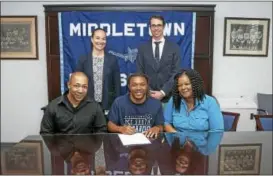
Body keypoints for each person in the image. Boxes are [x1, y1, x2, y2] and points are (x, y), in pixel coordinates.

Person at [40, 72, 107, 134]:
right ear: (69, 85)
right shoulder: (53, 106)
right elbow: (45, 134)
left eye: (84, 87)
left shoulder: (95, 107)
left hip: (86, 146)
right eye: (76, 86)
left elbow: (101, 132)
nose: (80, 91)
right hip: (61, 146)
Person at [136, 15, 181, 103]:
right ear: (150, 27)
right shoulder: (142, 48)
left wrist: (163, 92)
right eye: (153, 25)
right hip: (147, 97)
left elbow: (176, 73)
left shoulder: (174, 47)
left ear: (164, 27)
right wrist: (149, 91)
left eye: (159, 25)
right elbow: (140, 72)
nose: (156, 28)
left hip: (168, 98)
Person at [76, 28, 121, 111]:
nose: (100, 41)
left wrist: (116, 106)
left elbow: (117, 85)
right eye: (97, 38)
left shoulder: (112, 60)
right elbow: (77, 84)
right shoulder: (83, 60)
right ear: (92, 39)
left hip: (107, 106)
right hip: (86, 105)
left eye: (103, 39)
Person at [107, 73, 164, 138]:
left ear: (147, 86)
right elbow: (110, 125)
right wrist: (121, 129)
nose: (138, 88)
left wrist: (157, 128)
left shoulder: (156, 103)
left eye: (142, 85)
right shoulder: (119, 102)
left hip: (149, 141)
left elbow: (161, 126)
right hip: (126, 142)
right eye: (134, 85)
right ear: (129, 86)